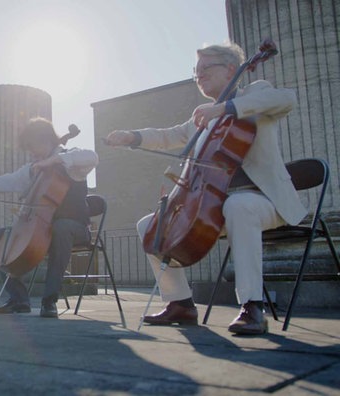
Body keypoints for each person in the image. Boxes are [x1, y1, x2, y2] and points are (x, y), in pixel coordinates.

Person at [104, 42, 306, 335]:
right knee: (150, 226)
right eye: (195, 71)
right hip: (216, 208)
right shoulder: (204, 118)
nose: (198, 75)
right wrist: (132, 136)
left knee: (239, 206)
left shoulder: (255, 93)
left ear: (231, 70)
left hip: (265, 202)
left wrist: (226, 108)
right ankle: (181, 304)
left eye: (205, 68)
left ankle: (252, 306)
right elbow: (169, 135)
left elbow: (287, 99)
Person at [0, 117, 98, 318]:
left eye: (33, 147)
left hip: (74, 228)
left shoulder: (69, 159)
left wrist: (53, 160)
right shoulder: (34, 168)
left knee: (61, 228)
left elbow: (92, 157)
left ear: (47, 140)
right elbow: (9, 180)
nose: (31, 153)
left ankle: (49, 300)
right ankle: (19, 300)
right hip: (41, 229)